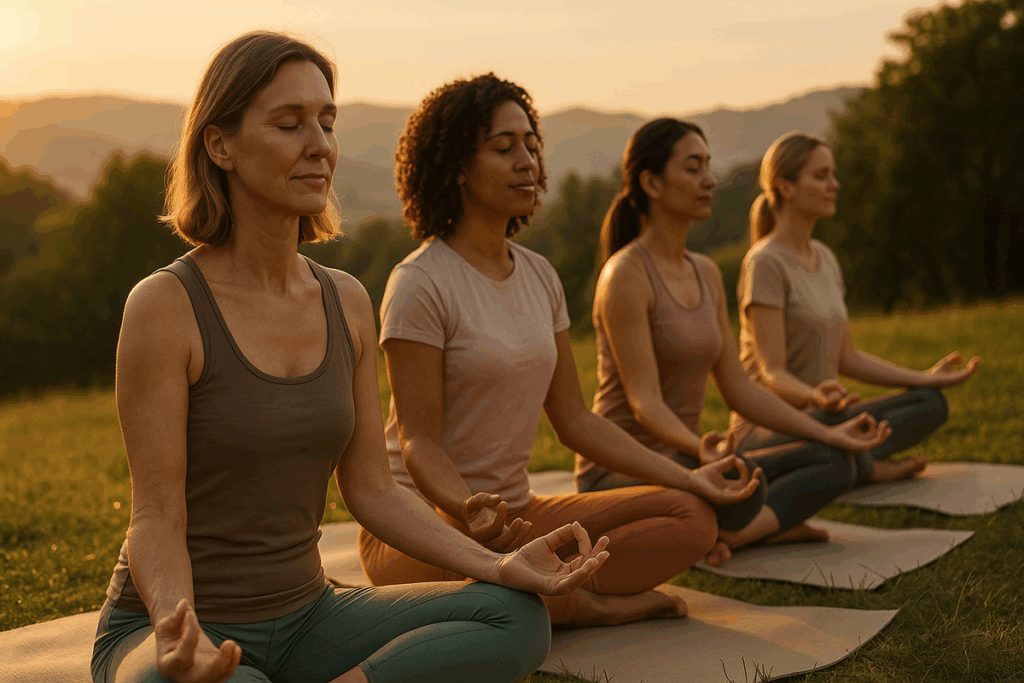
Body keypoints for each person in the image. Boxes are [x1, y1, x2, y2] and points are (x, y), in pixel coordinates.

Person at [90, 32, 611, 683]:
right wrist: (176, 620)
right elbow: (155, 515)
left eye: (327, 123)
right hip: (173, 627)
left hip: (309, 614)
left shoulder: (346, 301)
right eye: (289, 123)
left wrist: (498, 564)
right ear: (219, 145)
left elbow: (372, 487)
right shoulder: (166, 306)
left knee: (519, 615)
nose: (319, 145)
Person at [357, 74, 763, 628]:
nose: (527, 161)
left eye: (531, 145)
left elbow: (574, 420)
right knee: (494, 581)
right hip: (426, 524)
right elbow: (418, 441)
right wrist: (466, 509)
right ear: (455, 167)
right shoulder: (420, 283)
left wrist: (688, 475)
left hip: (520, 513)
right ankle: (580, 603)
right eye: (505, 148)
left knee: (690, 517)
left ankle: (545, 591)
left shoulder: (540, 276)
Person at [576, 119, 893, 566]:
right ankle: (753, 524)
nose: (709, 179)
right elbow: (644, 402)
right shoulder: (626, 274)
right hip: (626, 470)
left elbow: (740, 387)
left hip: (692, 459)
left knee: (835, 461)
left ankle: (742, 527)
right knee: (726, 497)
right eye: (692, 168)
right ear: (651, 183)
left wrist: (827, 431)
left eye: (708, 165)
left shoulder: (705, 272)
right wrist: (695, 448)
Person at [736, 131, 980, 487]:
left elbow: (847, 357)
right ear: (786, 187)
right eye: (821, 176)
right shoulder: (765, 262)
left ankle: (852, 461)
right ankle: (863, 467)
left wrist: (926, 377)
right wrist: (812, 396)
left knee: (929, 403)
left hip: (827, 415)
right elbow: (772, 373)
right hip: (772, 427)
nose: (834, 185)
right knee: (833, 432)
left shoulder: (826, 258)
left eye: (832, 174)